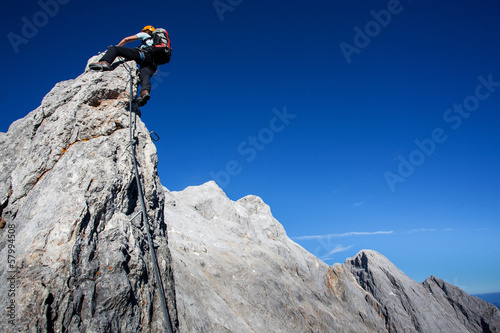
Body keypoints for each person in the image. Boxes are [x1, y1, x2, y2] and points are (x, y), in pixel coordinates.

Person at [89, 25, 162, 106]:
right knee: (145, 76)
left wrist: (117, 47)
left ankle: (105, 62)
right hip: (152, 63)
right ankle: (145, 92)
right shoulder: (157, 42)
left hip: (143, 55)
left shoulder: (145, 35)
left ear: (145, 30)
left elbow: (126, 39)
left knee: (114, 49)